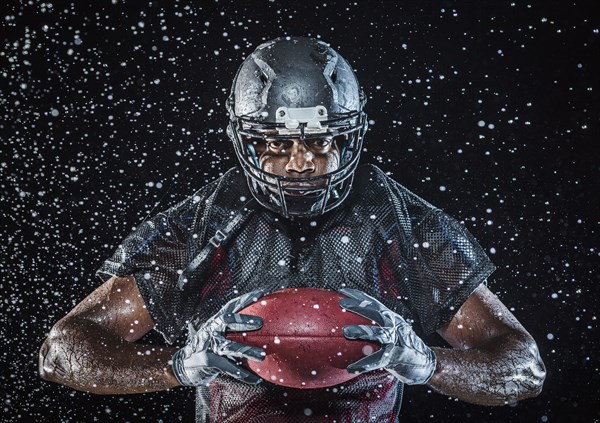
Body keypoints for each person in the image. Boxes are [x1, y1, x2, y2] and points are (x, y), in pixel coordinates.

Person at [39, 36, 546, 422]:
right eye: (277, 144)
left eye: (320, 141)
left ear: (350, 139)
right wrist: (177, 365)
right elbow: (61, 352)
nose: (301, 163)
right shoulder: (198, 229)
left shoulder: (406, 225)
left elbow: (524, 367)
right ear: (246, 141)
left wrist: (427, 363)